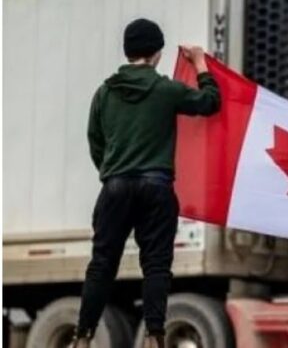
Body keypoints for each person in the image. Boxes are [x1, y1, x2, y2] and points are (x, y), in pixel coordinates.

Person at [73, 19, 221, 348]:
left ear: (127, 51)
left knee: (101, 265)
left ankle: (83, 337)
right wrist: (200, 64)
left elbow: (95, 140)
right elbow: (211, 102)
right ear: (157, 54)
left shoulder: (105, 92)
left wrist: (113, 173)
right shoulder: (166, 90)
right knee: (155, 266)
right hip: (156, 188)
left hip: (115, 186)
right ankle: (154, 338)